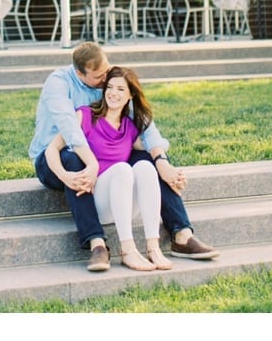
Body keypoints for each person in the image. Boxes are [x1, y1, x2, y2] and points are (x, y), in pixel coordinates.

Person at [29, 42, 219, 272]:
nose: (106, 79)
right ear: (80, 73)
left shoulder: (110, 84)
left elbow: (142, 125)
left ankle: (181, 233)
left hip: (99, 156)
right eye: (99, 76)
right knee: (74, 160)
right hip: (56, 158)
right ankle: (97, 244)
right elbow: (70, 130)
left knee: (146, 160)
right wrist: (87, 165)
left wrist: (163, 161)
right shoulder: (58, 83)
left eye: (107, 71)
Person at [43, 66, 170, 271]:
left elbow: (154, 145)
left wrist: (167, 165)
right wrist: (65, 176)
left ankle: (153, 248)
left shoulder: (130, 127)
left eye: (121, 89)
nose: (113, 93)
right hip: (97, 200)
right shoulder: (85, 115)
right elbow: (52, 150)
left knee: (146, 166)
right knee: (122, 169)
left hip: (124, 203)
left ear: (130, 95)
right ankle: (128, 251)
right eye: (110, 87)